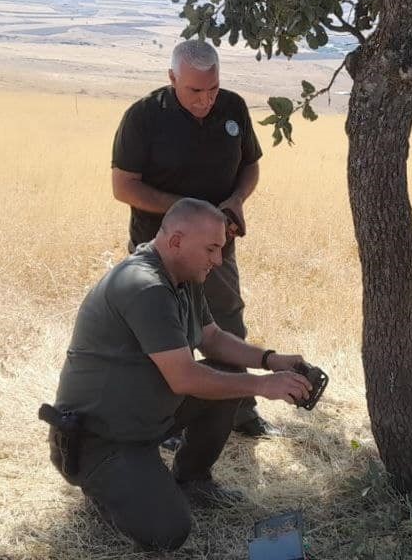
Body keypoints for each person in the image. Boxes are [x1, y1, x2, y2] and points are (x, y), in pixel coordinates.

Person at [50, 198, 313, 552]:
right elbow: (185, 378)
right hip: (99, 438)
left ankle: (192, 481)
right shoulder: (145, 287)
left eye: (221, 249)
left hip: (143, 417)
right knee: (168, 532)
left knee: (228, 372)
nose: (218, 260)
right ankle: (105, 487)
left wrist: (271, 360)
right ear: (176, 241)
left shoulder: (182, 275)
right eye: (211, 248)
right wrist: (264, 386)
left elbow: (213, 339)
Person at [110, 38, 278, 439]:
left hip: (217, 249)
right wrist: (186, 209)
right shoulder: (143, 117)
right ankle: (162, 423)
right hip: (159, 252)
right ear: (172, 79)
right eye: (194, 91)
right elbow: (123, 187)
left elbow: (250, 166)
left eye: (213, 88)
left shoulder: (233, 108)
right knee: (162, 335)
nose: (206, 100)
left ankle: (239, 413)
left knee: (226, 323)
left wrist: (236, 201)